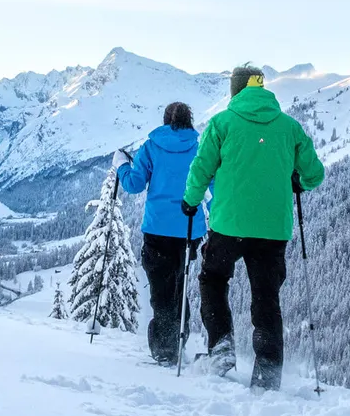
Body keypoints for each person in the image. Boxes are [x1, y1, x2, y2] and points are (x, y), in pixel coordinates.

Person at [181, 65, 325, 391]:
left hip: (228, 226)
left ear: (236, 91)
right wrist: (297, 181)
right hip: (273, 231)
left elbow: (201, 168)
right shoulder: (290, 128)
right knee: (266, 297)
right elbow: (315, 175)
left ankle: (220, 348)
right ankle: (268, 372)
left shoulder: (222, 123)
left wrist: (190, 201)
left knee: (214, 280)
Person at [112, 102, 206, 367]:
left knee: (162, 290)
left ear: (166, 121)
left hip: (157, 229)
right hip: (190, 229)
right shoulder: (200, 147)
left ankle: (165, 350)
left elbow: (133, 184)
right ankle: (178, 340)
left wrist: (121, 165)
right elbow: (212, 182)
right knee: (180, 284)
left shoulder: (151, 146)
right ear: (190, 121)